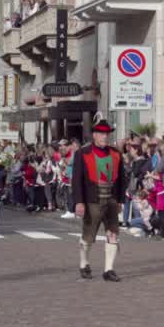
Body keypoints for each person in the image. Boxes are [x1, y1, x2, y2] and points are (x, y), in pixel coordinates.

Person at [71, 117, 127, 282]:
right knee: (88, 236)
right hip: (91, 200)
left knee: (113, 233)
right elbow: (77, 180)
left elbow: (121, 179)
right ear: (94, 135)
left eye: (106, 134)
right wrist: (79, 202)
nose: (104, 137)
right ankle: (84, 263)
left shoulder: (116, 153)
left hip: (111, 199)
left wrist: (120, 200)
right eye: (101, 134)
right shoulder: (82, 153)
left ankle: (108, 269)